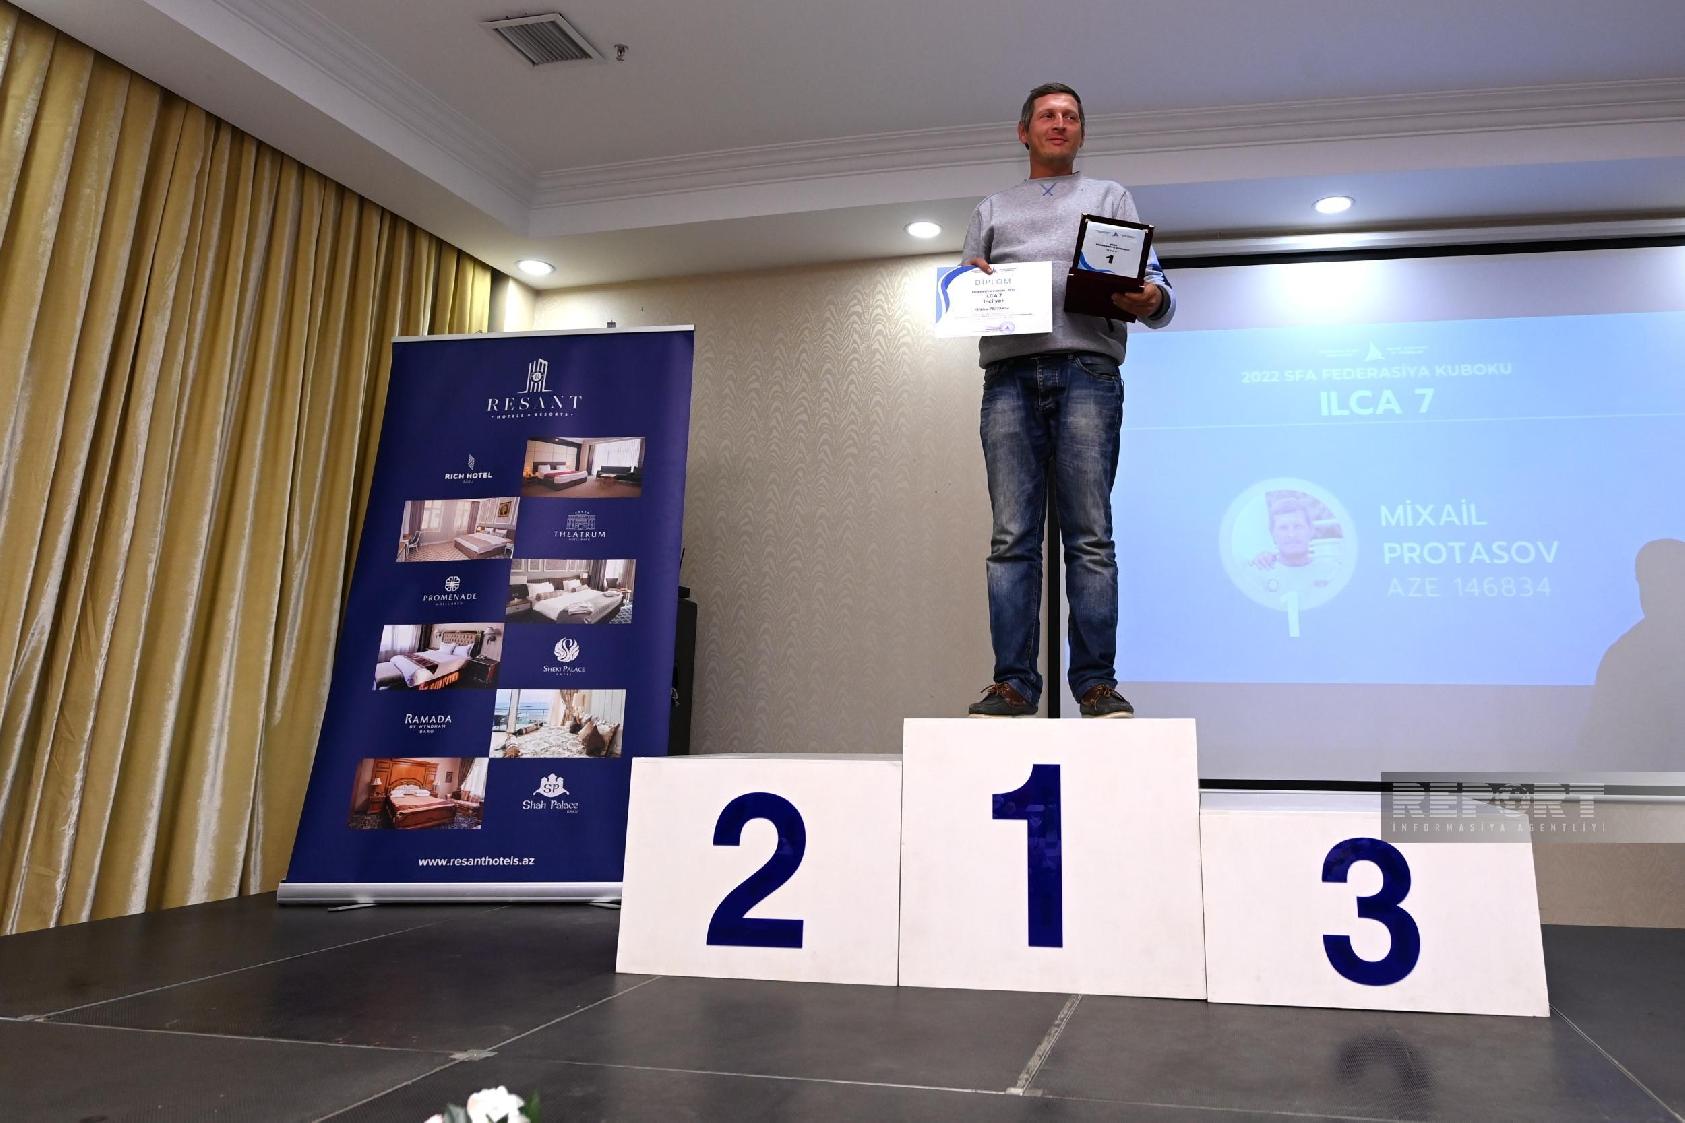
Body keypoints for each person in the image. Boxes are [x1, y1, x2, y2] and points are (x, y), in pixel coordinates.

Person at [964, 83, 1176, 718]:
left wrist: (1150, 298)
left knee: (1090, 537)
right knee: (1012, 538)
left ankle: (1095, 684)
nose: (1059, 123)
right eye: (1047, 115)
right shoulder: (990, 209)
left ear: (1082, 132)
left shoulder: (1111, 197)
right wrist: (969, 290)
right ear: (1023, 131)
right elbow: (967, 294)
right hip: (1008, 378)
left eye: (1071, 116)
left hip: (1089, 372)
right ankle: (1013, 683)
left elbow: (1157, 291)